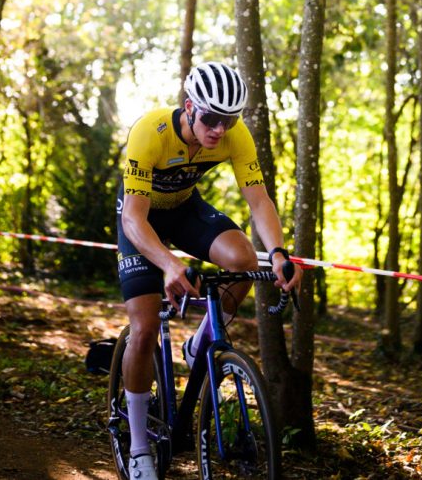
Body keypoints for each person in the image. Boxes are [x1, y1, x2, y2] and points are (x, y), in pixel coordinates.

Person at [116, 61, 302, 479]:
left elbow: (259, 201)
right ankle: (140, 446)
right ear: (189, 108)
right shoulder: (151, 132)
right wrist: (167, 263)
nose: (219, 129)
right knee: (144, 329)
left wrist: (277, 252)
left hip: (183, 209)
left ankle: (200, 344)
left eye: (229, 120)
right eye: (211, 119)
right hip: (140, 218)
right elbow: (133, 218)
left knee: (243, 260)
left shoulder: (234, 136)